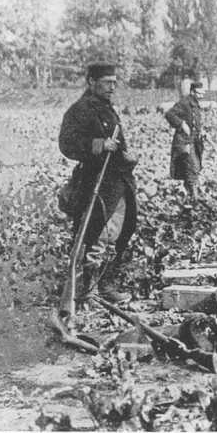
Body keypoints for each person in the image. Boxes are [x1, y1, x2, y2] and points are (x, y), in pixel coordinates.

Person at [58, 62, 138, 304]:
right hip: (96, 183)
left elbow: (117, 146)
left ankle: (105, 285)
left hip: (118, 181)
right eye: (107, 82)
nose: (113, 87)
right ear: (91, 82)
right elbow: (67, 144)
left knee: (117, 233)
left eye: (115, 82)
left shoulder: (105, 107)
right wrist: (98, 145)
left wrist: (126, 156)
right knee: (96, 236)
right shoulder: (80, 109)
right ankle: (89, 290)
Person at [165, 81, 206, 200]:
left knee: (195, 168)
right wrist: (181, 124)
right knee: (192, 168)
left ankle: (189, 195)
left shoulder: (196, 104)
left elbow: (195, 123)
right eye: (199, 93)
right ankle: (193, 197)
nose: (202, 96)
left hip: (194, 141)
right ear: (193, 92)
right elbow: (169, 114)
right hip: (184, 142)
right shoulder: (184, 103)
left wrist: (201, 132)